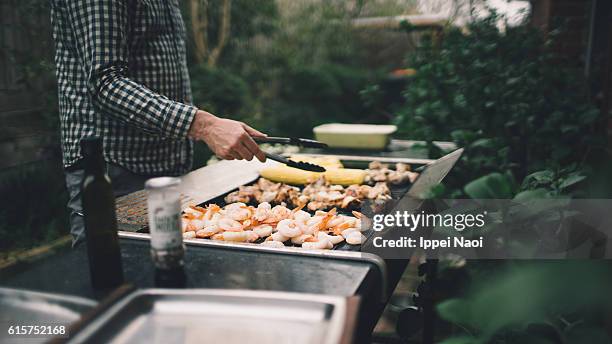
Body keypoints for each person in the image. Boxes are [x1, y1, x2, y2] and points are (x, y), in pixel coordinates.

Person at [50, 0, 266, 246]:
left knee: (172, 273)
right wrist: (205, 125)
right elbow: (105, 83)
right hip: (113, 169)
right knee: (111, 276)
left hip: (166, 165)